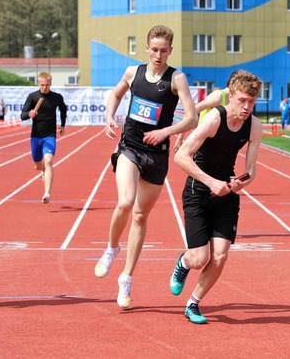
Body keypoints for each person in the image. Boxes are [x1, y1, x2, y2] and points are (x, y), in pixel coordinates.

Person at [94, 25, 197, 309]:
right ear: (147, 48)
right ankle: (111, 249)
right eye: (154, 49)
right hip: (130, 147)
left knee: (140, 216)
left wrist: (167, 132)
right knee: (125, 202)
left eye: (164, 50)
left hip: (158, 155)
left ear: (170, 51)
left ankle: (126, 279)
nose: (159, 55)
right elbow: (115, 94)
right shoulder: (132, 73)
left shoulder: (177, 78)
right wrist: (108, 117)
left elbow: (192, 119)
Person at [169, 70, 264, 324]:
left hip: (226, 194)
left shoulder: (254, 125)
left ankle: (193, 304)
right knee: (199, 258)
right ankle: (184, 262)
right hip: (198, 190)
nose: (246, 107)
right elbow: (180, 157)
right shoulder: (213, 118)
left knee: (220, 255)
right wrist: (210, 181)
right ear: (230, 96)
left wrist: (239, 182)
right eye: (242, 100)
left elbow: (251, 170)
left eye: (252, 102)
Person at [21, 72, 67, 204]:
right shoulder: (33, 97)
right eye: (42, 85)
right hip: (36, 136)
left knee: (48, 162)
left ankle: (47, 193)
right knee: (37, 166)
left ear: (51, 84)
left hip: (50, 136)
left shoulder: (56, 97)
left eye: (47, 85)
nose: (44, 87)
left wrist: (62, 125)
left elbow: (63, 109)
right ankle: (43, 172)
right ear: (38, 84)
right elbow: (22, 115)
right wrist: (30, 114)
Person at [173, 70, 243, 151]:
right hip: (204, 143)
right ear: (233, 83)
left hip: (218, 142)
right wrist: (180, 138)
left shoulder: (232, 99)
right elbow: (190, 113)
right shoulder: (218, 97)